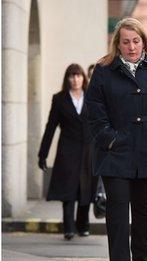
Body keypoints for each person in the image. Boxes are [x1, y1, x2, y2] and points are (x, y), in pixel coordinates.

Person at [86, 17, 147, 261]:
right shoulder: (103, 71)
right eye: (126, 42)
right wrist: (111, 140)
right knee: (116, 218)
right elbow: (94, 112)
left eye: (136, 41)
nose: (132, 46)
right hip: (115, 154)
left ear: (143, 42)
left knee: (143, 217)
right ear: (117, 44)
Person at [38, 63, 95, 240]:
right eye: (71, 76)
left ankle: (83, 225)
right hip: (67, 150)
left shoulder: (92, 97)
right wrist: (43, 154)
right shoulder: (59, 99)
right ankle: (68, 228)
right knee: (68, 190)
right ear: (67, 79)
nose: (75, 79)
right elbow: (50, 127)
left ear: (83, 78)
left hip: (88, 150)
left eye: (78, 75)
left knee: (86, 188)